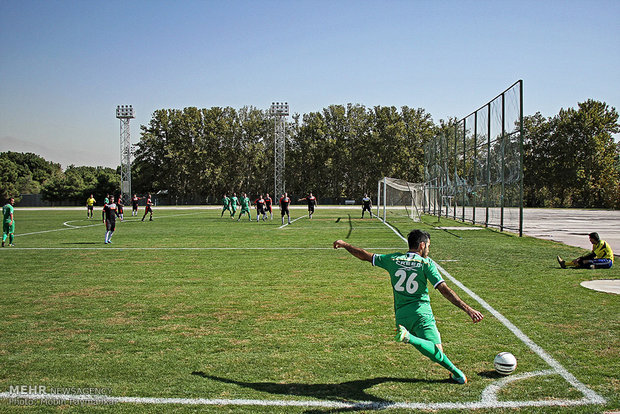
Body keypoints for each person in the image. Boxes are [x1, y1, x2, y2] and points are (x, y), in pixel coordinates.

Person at [333, 229, 484, 384]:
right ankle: (410, 338)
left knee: (434, 350)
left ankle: (457, 375)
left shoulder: (393, 259)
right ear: (422, 245)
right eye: (428, 246)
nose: (428, 250)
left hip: (402, 316)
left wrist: (344, 244)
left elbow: (364, 255)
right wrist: (468, 309)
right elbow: (445, 290)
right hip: (421, 314)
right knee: (437, 351)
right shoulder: (426, 264)